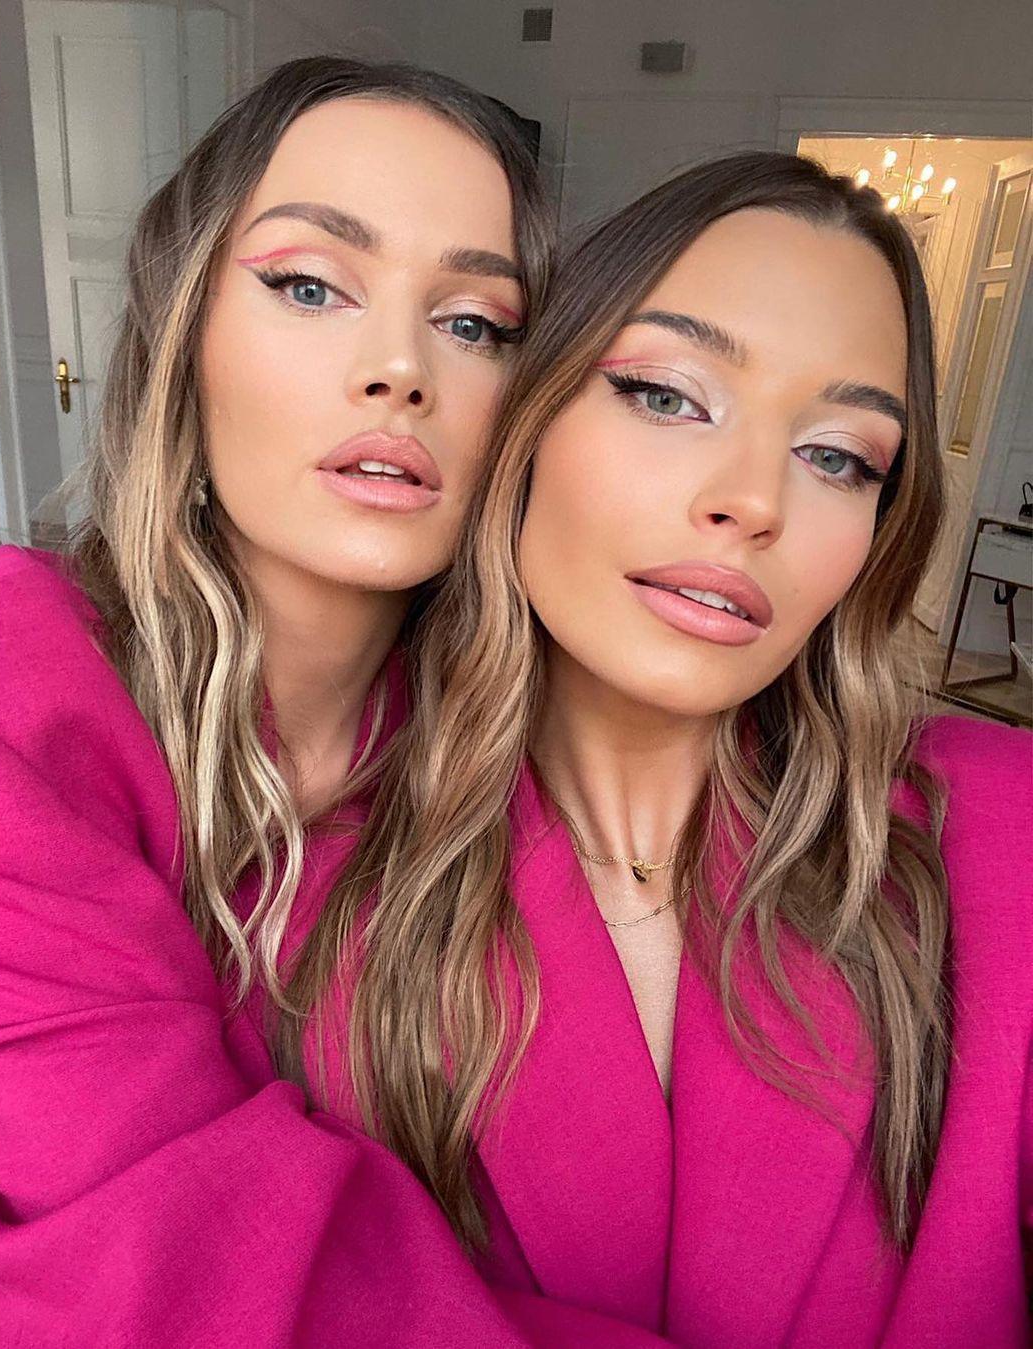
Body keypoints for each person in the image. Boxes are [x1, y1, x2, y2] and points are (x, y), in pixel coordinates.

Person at [0, 58, 680, 1347]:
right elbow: (169, 1270)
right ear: (185, 340)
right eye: (307, 285)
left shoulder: (520, 756)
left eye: (476, 323)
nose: (401, 367)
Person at [293, 152, 1030, 1345]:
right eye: (668, 395)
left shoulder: (996, 839)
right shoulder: (295, 882)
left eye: (839, 456)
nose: (755, 501)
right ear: (524, 421)